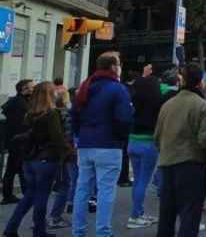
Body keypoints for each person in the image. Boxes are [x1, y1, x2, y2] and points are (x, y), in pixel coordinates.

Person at [154, 63, 206, 237]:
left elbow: (157, 136)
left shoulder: (167, 105)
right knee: (189, 217)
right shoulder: (202, 106)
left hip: (167, 164)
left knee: (166, 216)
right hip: (191, 165)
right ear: (200, 82)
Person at [71, 52, 132, 237]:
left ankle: (78, 230)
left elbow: (74, 115)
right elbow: (124, 119)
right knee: (105, 191)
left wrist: (78, 136)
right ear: (114, 67)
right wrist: (121, 138)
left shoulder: (86, 86)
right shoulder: (118, 89)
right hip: (108, 144)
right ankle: (103, 232)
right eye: (119, 64)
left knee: (82, 188)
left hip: (86, 143)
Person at [3, 81, 71, 237]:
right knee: (41, 197)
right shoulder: (51, 113)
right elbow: (57, 138)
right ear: (49, 94)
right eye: (53, 91)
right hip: (46, 159)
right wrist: (68, 152)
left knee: (29, 196)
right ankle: (39, 231)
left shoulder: (30, 113)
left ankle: (11, 228)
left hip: (30, 159)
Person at [126, 64, 162, 229]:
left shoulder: (134, 100)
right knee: (143, 181)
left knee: (137, 181)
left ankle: (138, 212)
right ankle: (135, 215)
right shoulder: (157, 104)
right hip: (148, 143)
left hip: (132, 141)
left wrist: (143, 75)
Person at [47, 88, 75, 230]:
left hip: (49, 155)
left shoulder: (49, 113)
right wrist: (70, 150)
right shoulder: (66, 114)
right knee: (65, 185)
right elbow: (67, 135)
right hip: (62, 155)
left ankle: (42, 219)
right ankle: (55, 217)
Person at [2, 79, 33, 204]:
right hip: (20, 142)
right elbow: (23, 124)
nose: (33, 89)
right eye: (31, 87)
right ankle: (25, 195)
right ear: (24, 89)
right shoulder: (22, 104)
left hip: (14, 141)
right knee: (21, 169)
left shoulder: (15, 102)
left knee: (12, 169)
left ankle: (8, 194)